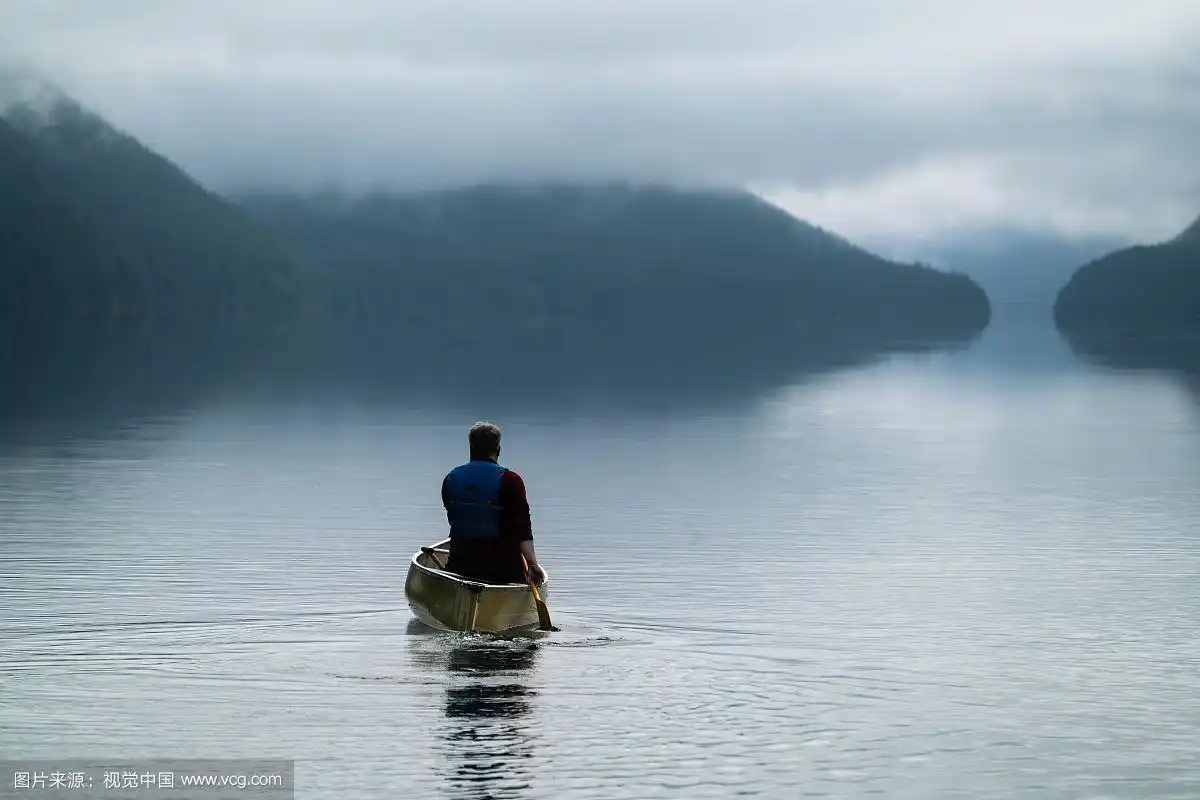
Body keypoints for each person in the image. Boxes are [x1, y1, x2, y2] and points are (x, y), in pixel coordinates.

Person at [442, 421, 547, 586]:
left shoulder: (451, 478)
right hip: (503, 569)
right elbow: (522, 529)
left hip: (459, 564)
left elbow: (454, 516)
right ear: (498, 449)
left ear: (471, 448)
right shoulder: (511, 480)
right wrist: (532, 564)